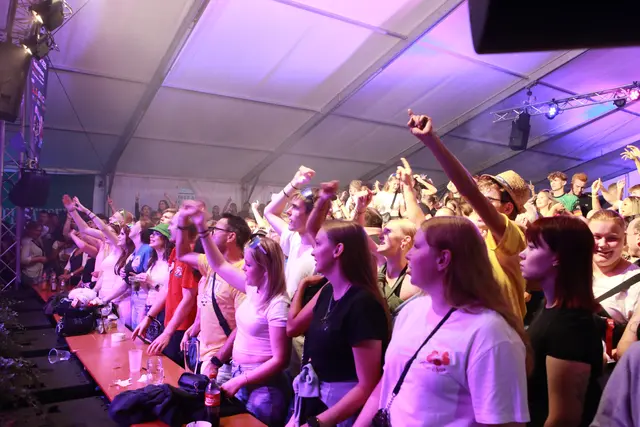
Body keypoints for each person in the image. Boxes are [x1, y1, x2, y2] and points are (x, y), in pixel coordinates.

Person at [354, 216, 530, 427]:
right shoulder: (411, 311)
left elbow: (503, 423)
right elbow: (390, 380)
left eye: (417, 246)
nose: (408, 254)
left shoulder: (491, 334)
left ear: (443, 259)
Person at [407, 109, 528, 319]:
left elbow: (469, 190)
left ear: (508, 208)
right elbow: (421, 223)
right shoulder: (469, 232)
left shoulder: (514, 235)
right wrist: (407, 188)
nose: (477, 205)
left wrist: (432, 141)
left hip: (501, 332)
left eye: (487, 201)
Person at [182, 201, 291, 427]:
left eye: (249, 265)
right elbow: (219, 265)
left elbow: (281, 359)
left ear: (265, 269)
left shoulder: (278, 304)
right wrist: (202, 228)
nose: (244, 268)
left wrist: (241, 380)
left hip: (264, 388)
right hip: (241, 377)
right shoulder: (253, 289)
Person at [287, 189, 389, 427]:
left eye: (318, 244)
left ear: (338, 250)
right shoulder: (328, 291)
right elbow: (292, 328)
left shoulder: (363, 304)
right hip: (315, 402)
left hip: (340, 412)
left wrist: (318, 423)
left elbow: (367, 385)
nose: (313, 250)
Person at [520, 216, 603, 427]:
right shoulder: (549, 306)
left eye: (532, 247)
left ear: (557, 257)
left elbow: (564, 418)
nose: (522, 254)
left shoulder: (571, 326)